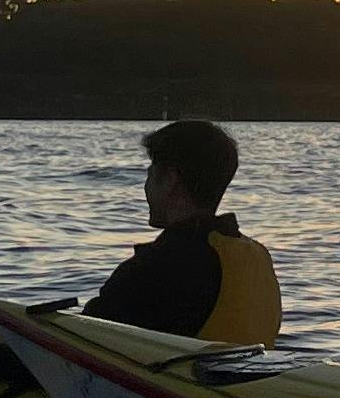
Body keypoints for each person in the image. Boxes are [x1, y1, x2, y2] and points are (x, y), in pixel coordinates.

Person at [76, 118, 282, 347]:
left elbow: (82, 339)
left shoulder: (156, 268)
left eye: (150, 174)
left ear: (170, 180)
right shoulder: (258, 256)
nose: (146, 186)